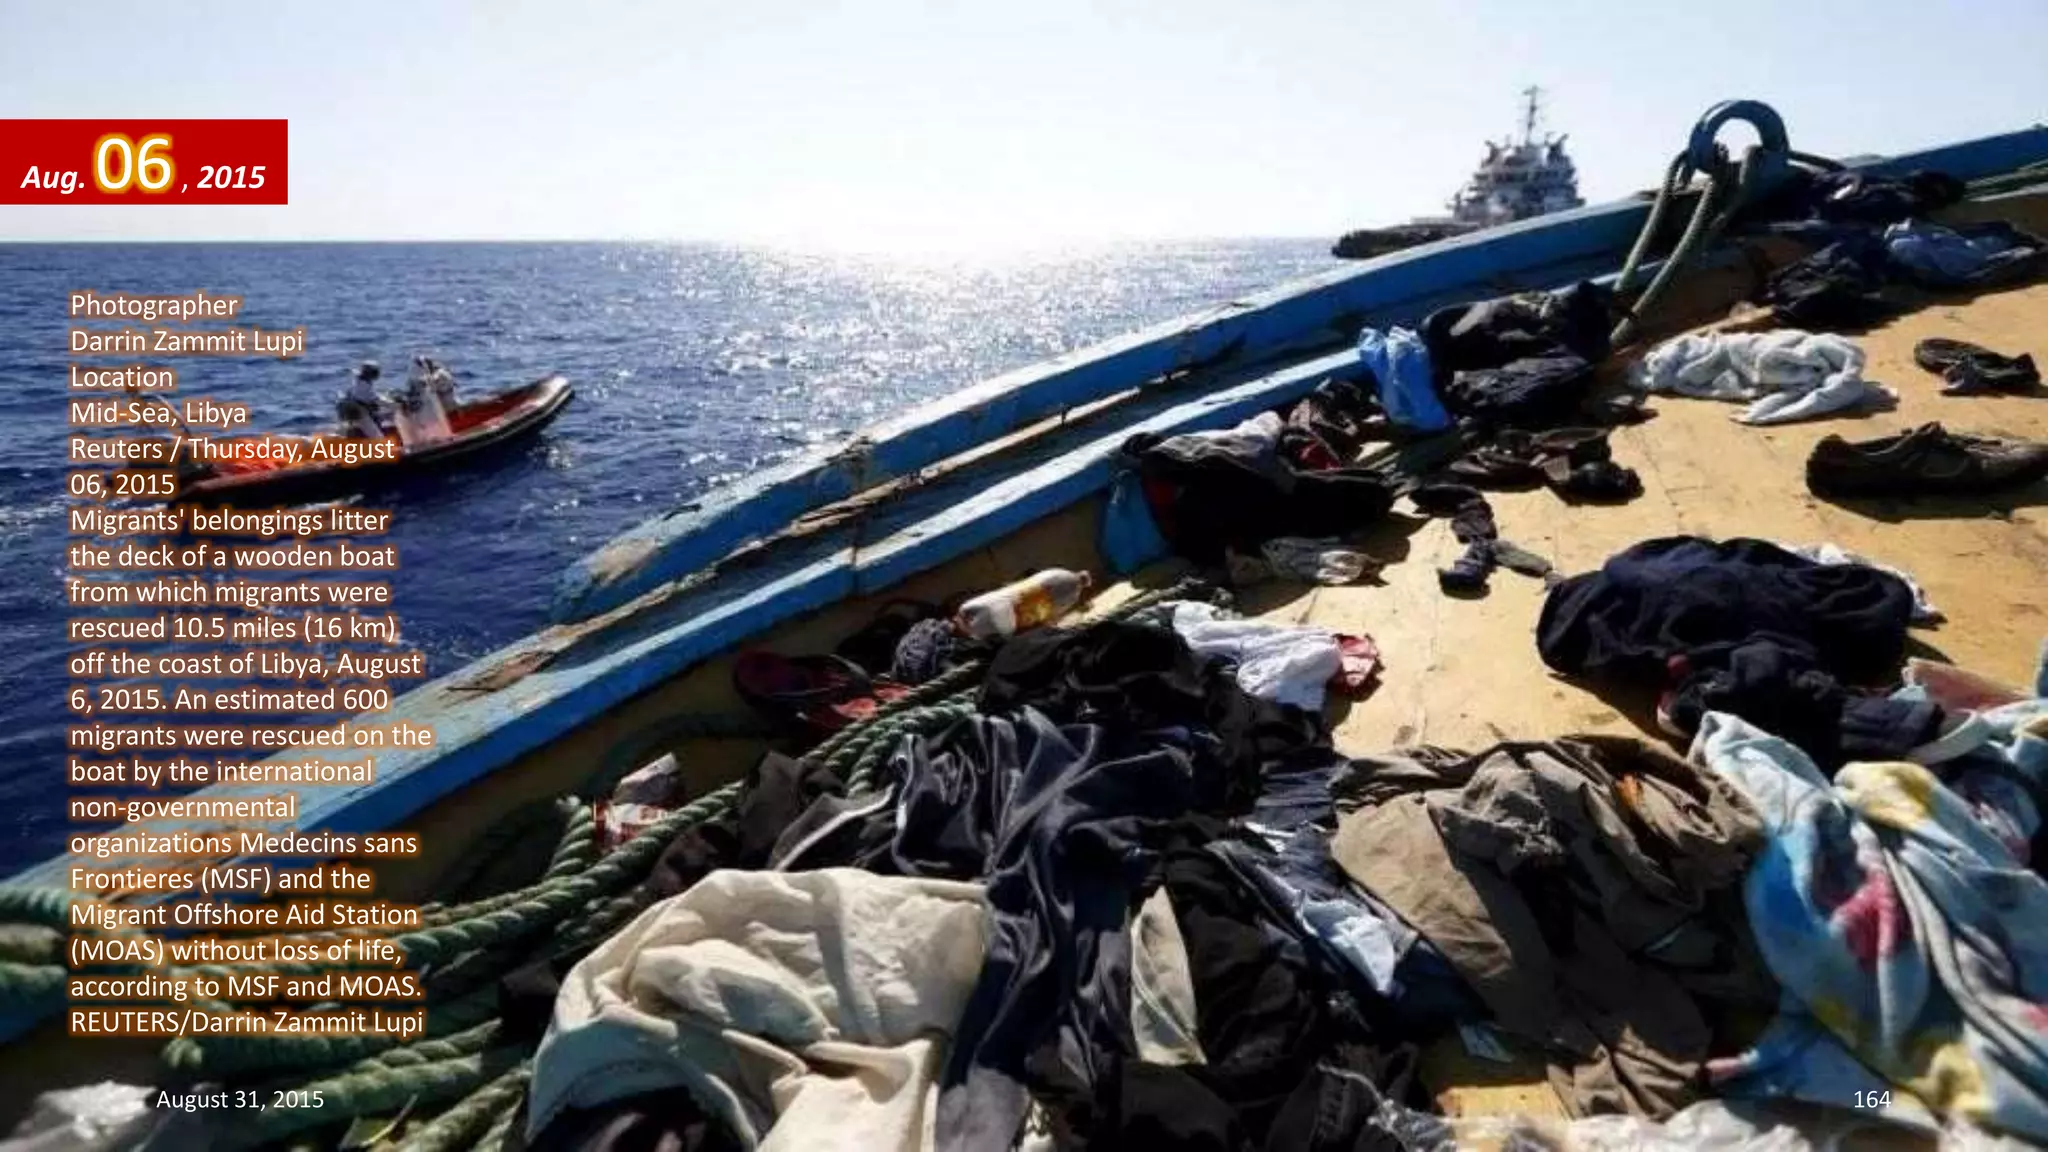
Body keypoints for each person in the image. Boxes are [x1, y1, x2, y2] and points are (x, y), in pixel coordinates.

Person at [401, 355, 455, 445]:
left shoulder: (439, 374)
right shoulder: (425, 377)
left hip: (442, 404)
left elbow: (430, 384)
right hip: (432, 405)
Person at [336, 362, 389, 438]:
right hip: (356, 411)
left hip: (346, 407)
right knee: (377, 437)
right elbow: (376, 400)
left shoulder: (359, 380)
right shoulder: (364, 388)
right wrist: (394, 404)